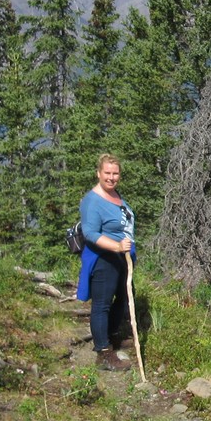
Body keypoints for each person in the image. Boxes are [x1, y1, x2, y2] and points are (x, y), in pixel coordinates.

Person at [76, 154, 136, 372]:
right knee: (102, 304)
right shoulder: (92, 201)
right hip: (103, 257)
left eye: (115, 173)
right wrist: (117, 246)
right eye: (107, 173)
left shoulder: (115, 195)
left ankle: (111, 336)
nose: (111, 177)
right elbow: (90, 233)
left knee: (125, 296)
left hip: (121, 257)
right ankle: (103, 352)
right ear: (98, 173)